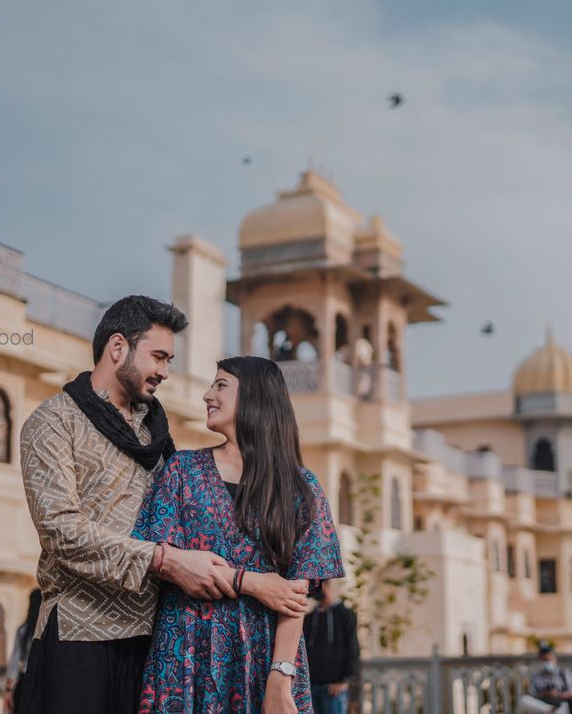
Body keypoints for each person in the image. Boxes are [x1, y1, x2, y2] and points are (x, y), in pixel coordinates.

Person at [19, 297, 306, 714]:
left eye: (169, 359)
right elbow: (61, 530)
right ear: (118, 348)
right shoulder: (54, 422)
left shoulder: (156, 432)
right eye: (158, 357)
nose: (164, 373)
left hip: (158, 645)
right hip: (80, 638)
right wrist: (164, 560)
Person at [133, 356, 345, 713]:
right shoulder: (182, 470)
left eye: (220, 385)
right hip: (185, 654)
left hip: (267, 656)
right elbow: (159, 559)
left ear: (254, 397)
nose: (206, 396)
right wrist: (250, 582)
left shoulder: (300, 487)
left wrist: (280, 677)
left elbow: (298, 594)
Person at [304, 581, 360, 714]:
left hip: (334, 689)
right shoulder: (309, 618)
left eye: (325, 583)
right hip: (310, 688)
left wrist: (345, 681)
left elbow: (353, 648)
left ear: (332, 586)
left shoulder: (346, 614)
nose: (320, 588)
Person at [3, 588, 41, 713]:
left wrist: (8, 691)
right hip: (42, 681)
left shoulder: (24, 630)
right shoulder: (46, 630)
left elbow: (14, 662)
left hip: (24, 681)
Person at [519, 644, 572, 714]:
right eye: (544, 660)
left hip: (560, 704)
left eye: (549, 659)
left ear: (554, 658)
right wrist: (545, 694)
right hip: (542, 705)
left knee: (562, 708)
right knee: (524, 700)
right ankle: (551, 710)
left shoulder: (564, 673)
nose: (547, 662)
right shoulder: (535, 675)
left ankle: (552, 710)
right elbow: (532, 694)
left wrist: (557, 694)